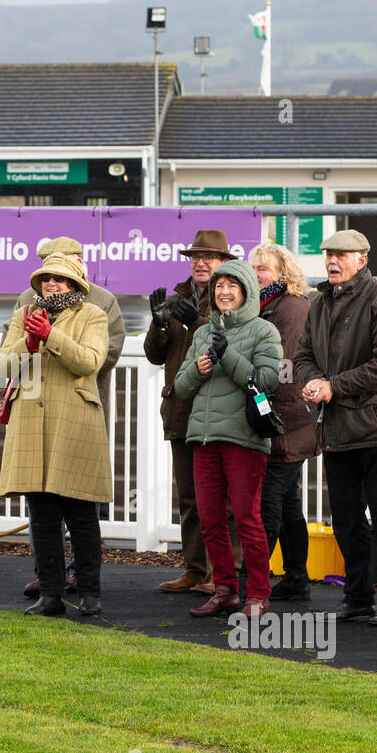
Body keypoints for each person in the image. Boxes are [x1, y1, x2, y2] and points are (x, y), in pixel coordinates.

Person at [293, 229, 377, 626]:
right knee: (345, 519)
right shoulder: (319, 302)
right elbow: (304, 354)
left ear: (362, 259)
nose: (332, 260)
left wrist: (333, 387)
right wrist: (311, 380)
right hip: (338, 428)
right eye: (329, 253)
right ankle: (358, 595)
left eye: (341, 255)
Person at [0, 238, 112, 617]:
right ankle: (51, 595)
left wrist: (50, 336)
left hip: (75, 423)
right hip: (31, 423)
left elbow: (90, 362)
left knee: (81, 515)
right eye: (46, 279)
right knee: (42, 516)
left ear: (76, 285)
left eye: (60, 280)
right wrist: (27, 344)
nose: (51, 285)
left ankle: (90, 593)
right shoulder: (23, 313)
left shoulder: (92, 315)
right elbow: (2, 367)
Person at [174, 259, 282, 619]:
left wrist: (228, 354)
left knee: (248, 519)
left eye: (231, 287)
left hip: (244, 440)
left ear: (246, 291)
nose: (223, 293)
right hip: (204, 438)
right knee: (210, 520)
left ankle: (259, 594)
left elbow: (266, 381)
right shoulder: (203, 332)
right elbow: (180, 387)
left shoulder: (264, 331)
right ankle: (225, 590)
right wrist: (199, 368)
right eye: (219, 287)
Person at [145, 229, 237, 595]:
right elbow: (154, 354)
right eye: (195, 256)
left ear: (223, 263)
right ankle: (196, 569)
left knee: (222, 499)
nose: (200, 262)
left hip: (218, 410)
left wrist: (197, 322)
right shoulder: (177, 297)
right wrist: (161, 322)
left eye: (209, 257)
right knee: (189, 497)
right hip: (182, 409)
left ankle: (224, 574)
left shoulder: (231, 296)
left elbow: (229, 344)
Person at [250, 243, 318, 600]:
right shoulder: (264, 305)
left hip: (288, 419)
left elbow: (285, 366)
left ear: (283, 272)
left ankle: (254, 583)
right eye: (254, 267)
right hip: (281, 418)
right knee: (289, 503)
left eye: (263, 267)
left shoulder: (290, 308)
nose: (256, 272)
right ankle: (296, 576)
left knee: (270, 503)